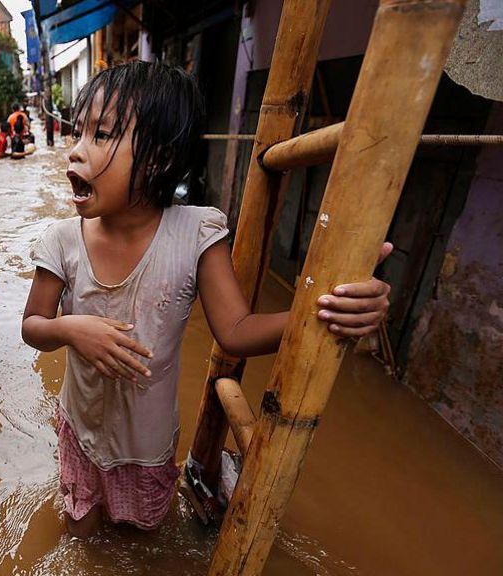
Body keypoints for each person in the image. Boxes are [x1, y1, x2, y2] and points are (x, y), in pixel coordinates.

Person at [21, 62, 392, 537]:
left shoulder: (197, 232)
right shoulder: (61, 240)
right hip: (81, 429)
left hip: (147, 444)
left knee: (142, 541)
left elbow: (236, 331)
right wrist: (71, 329)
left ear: (157, 158)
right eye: (79, 133)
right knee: (81, 536)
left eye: (100, 135)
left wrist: (323, 307)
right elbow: (32, 325)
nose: (74, 152)